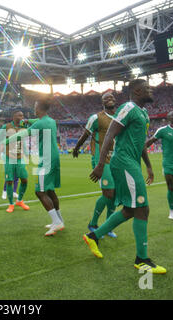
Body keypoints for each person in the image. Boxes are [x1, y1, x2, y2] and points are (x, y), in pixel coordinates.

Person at [85, 79, 167, 274]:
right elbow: (109, 135)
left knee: (131, 209)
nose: (151, 89)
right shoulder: (128, 107)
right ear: (137, 91)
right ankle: (142, 259)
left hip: (133, 163)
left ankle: (94, 236)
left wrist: (148, 166)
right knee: (142, 209)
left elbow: (140, 144)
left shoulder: (143, 113)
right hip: (124, 164)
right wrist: (99, 164)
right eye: (147, 87)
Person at [5, 97, 63, 236]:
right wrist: (27, 121)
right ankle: (59, 220)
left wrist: (3, 141)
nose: (33, 109)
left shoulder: (39, 124)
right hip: (54, 157)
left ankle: (57, 222)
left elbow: (21, 135)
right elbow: (35, 122)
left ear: (39, 108)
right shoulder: (50, 121)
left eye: (35, 106)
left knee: (40, 191)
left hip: (46, 160)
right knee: (50, 191)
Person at [73, 92, 118, 238]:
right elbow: (86, 134)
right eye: (106, 98)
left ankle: (108, 226)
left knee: (115, 195)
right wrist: (76, 147)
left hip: (117, 159)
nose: (109, 99)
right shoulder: (96, 118)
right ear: (102, 102)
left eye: (111, 97)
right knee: (108, 193)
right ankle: (93, 223)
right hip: (101, 159)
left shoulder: (120, 117)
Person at [145, 111, 173, 220]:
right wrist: (140, 150)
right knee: (171, 188)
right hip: (168, 164)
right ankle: (171, 210)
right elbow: (150, 142)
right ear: (169, 119)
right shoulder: (162, 130)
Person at [0, 110, 30, 213]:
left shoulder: (24, 127)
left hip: (19, 158)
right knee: (10, 181)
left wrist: (26, 153)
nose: (22, 117)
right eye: (19, 115)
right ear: (14, 116)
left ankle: (19, 200)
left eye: (22, 115)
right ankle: (11, 203)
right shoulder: (6, 127)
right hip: (8, 158)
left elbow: (24, 140)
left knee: (24, 179)